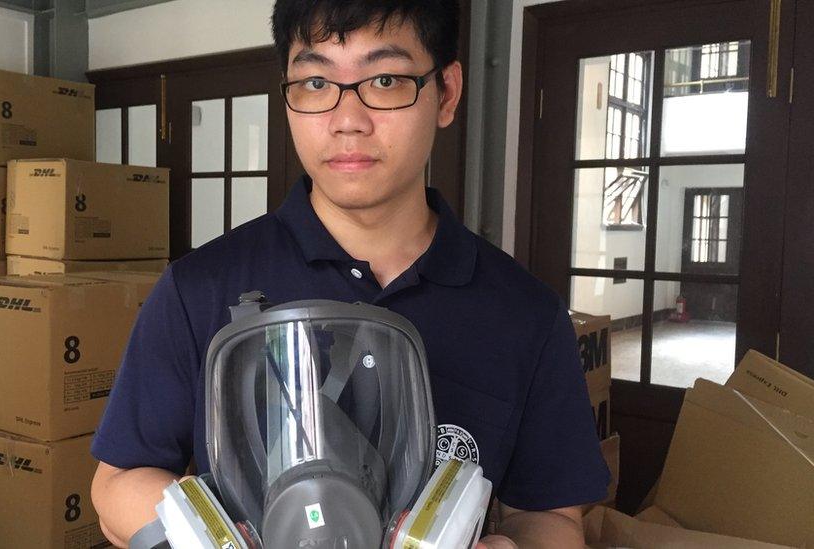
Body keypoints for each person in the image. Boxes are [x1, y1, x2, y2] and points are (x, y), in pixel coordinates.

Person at [90, 1, 609, 547]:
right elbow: (118, 481)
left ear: (447, 93)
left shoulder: (525, 313)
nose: (347, 121)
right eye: (316, 82)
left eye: (385, 79)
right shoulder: (198, 287)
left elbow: (551, 516)